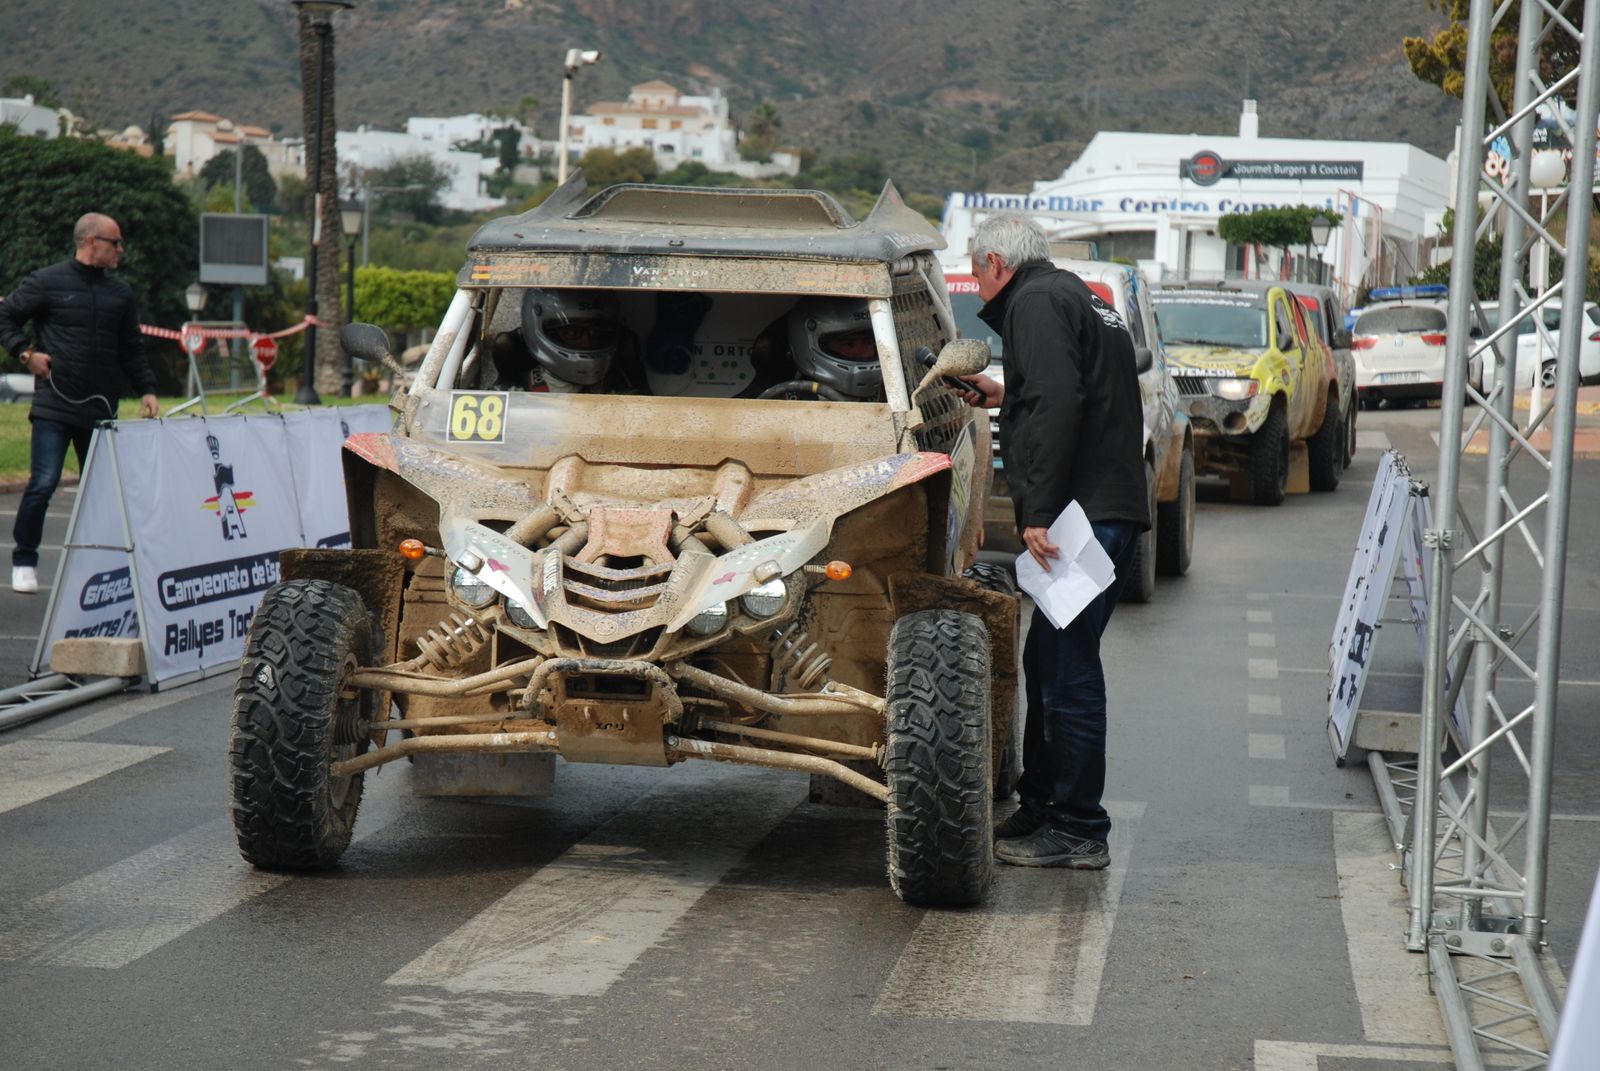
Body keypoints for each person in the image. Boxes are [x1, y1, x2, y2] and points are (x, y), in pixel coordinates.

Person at [956, 212, 1149, 869]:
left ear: (997, 264)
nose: (976, 282)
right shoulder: (1072, 295)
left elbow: (1059, 402)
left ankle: (1079, 826)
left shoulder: (1034, 302)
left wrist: (1038, 509)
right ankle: (1041, 803)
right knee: (1047, 661)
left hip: (1084, 516)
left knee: (1068, 673)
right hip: (1107, 507)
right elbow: (1060, 389)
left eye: (975, 267)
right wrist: (1001, 393)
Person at [0, 213, 159, 594]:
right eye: (115, 242)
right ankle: (24, 560)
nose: (121, 249)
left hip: (101, 411)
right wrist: (25, 355)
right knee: (43, 482)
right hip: (55, 404)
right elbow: (5, 316)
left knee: (105, 493)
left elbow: (132, 348)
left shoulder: (120, 294)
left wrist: (148, 390)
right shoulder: (46, 281)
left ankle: (102, 569)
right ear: (91, 241)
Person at [519, 288, 639, 393]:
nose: (586, 342)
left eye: (596, 332)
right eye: (572, 333)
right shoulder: (517, 393)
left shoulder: (625, 381)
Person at [784, 296, 882, 399]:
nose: (863, 352)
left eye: (869, 342)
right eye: (849, 344)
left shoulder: (891, 394)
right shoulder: (788, 406)